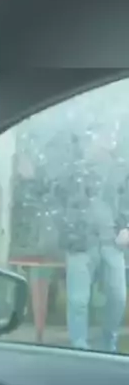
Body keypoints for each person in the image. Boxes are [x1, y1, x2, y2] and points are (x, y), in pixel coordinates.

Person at [57, 126, 129, 352]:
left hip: (112, 242)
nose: (110, 140)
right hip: (80, 243)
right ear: (91, 137)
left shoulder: (121, 169)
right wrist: (68, 230)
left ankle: (109, 344)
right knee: (78, 300)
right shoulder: (72, 169)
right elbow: (56, 201)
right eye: (105, 134)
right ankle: (79, 347)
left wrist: (127, 227)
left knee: (118, 297)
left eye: (113, 135)